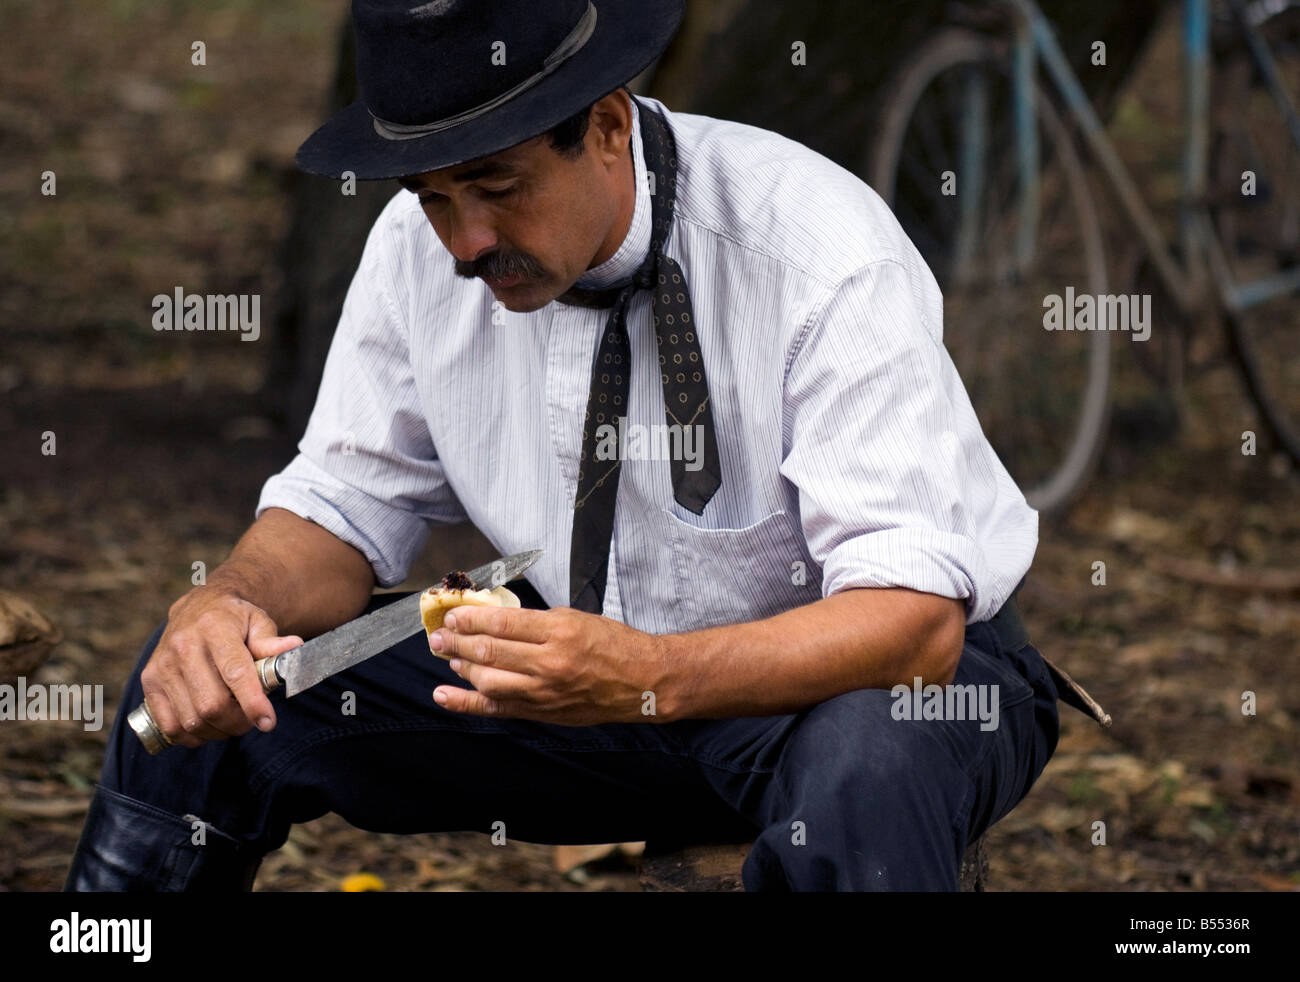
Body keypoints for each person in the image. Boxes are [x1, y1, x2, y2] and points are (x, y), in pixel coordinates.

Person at [64, 0, 1060, 892]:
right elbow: (340, 507)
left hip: (833, 695)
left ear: (609, 125)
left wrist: (644, 673)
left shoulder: (817, 252)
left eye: (496, 185)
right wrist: (231, 600)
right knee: (207, 682)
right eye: (433, 196)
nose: (463, 241)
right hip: (577, 685)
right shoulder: (417, 254)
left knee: (873, 755)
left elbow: (912, 627)